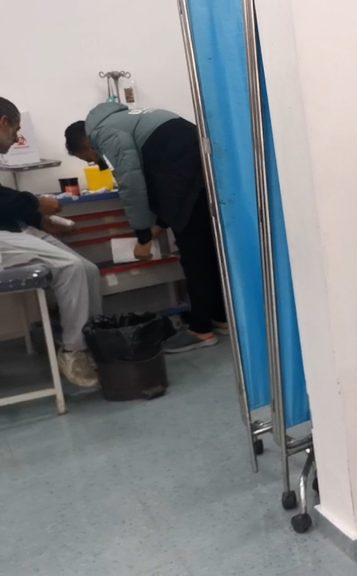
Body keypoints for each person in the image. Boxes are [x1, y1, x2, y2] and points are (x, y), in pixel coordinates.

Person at [64, 104, 227, 354]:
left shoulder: (103, 134)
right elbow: (160, 180)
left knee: (194, 254)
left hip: (182, 170)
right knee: (206, 246)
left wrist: (142, 238)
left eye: (89, 159)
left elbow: (132, 183)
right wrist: (159, 225)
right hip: (202, 162)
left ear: (86, 146)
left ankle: (200, 329)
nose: (96, 163)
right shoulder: (127, 118)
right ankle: (220, 316)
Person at [0, 97, 101, 387]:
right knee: (69, 266)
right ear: (3, 123)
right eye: (16, 129)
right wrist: (35, 203)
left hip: (12, 228)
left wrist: (38, 219)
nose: (17, 137)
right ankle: (73, 351)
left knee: (88, 270)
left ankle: (93, 340)